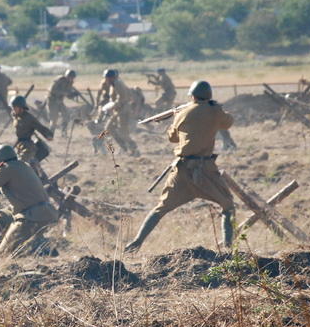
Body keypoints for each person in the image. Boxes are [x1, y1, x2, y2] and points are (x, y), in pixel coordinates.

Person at [125, 80, 236, 252]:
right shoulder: (215, 111)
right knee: (228, 205)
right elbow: (228, 122)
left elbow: (173, 138)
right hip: (205, 170)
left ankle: (136, 243)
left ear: (192, 96)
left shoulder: (183, 114)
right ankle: (228, 249)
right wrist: (217, 108)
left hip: (182, 170)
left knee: (160, 208)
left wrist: (178, 115)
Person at [0, 144, 58, 257]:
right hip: (45, 212)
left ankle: (39, 247)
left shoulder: (7, 169)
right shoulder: (23, 165)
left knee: (4, 253)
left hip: (30, 217)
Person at [96, 69, 140, 156]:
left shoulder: (118, 84)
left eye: (107, 78)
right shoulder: (114, 84)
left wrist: (113, 105)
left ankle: (133, 148)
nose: (105, 80)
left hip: (123, 111)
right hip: (117, 111)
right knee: (109, 128)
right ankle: (124, 147)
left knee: (123, 132)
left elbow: (123, 98)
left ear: (111, 78)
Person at [10, 95, 53, 177]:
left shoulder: (28, 118)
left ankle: (39, 178)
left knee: (21, 165)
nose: (13, 109)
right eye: (13, 107)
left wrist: (48, 135)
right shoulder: (16, 116)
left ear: (21, 108)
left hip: (28, 146)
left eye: (14, 107)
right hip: (20, 145)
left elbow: (39, 126)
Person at [46, 69, 80, 134]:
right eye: (70, 77)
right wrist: (65, 93)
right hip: (52, 100)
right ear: (66, 76)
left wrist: (73, 94)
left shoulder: (70, 83)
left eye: (72, 77)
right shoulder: (60, 80)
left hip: (59, 101)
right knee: (54, 119)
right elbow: (52, 90)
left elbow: (68, 95)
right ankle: (50, 134)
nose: (71, 79)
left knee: (66, 116)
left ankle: (63, 132)